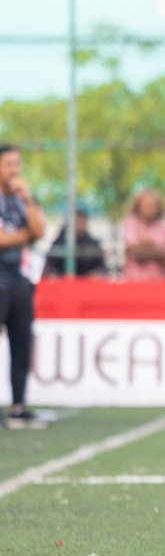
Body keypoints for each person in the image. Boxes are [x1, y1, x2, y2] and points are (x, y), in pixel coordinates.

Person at [0, 145, 47, 427]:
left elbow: (39, 231)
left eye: (17, 164)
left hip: (20, 284)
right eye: (8, 164)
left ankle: (19, 406)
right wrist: (26, 235)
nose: (14, 170)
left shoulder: (23, 199)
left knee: (21, 347)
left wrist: (28, 198)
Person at [121, 188, 165, 281]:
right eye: (146, 205)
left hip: (159, 280)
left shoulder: (164, 226)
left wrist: (145, 246)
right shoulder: (131, 222)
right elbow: (131, 250)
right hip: (134, 280)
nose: (150, 208)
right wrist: (159, 251)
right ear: (138, 206)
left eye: (152, 205)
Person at [43, 209, 107, 279]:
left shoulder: (93, 243)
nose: (79, 223)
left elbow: (103, 268)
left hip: (87, 282)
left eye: (82, 220)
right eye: (77, 220)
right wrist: (58, 275)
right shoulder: (59, 242)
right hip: (63, 281)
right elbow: (49, 267)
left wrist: (96, 273)